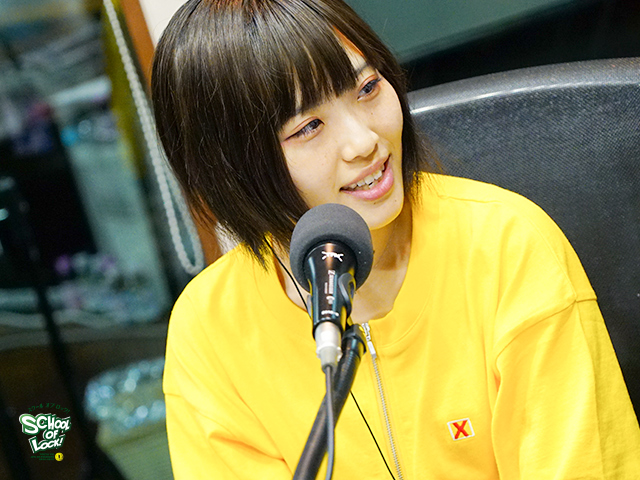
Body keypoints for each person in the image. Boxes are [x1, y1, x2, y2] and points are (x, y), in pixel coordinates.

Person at [151, 0, 640, 478]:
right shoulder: (210, 330)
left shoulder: (507, 248)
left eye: (368, 88)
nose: (364, 141)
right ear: (230, 167)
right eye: (309, 127)